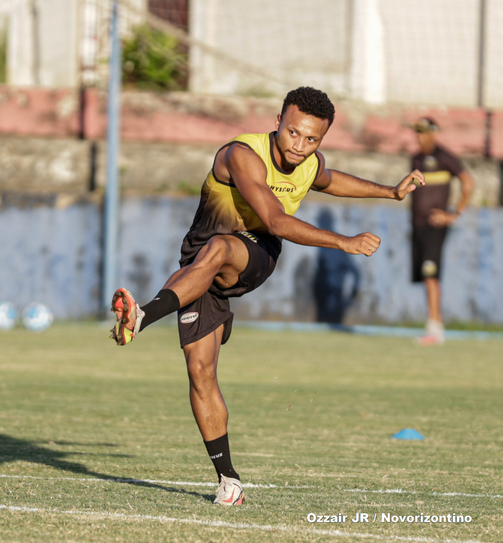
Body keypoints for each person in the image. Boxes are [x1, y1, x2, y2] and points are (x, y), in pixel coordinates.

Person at [108, 87, 425, 506]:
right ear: (278, 120)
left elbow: (315, 190)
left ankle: (142, 316)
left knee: (220, 248)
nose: (300, 146)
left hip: (253, 253)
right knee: (200, 372)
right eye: (293, 133)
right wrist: (343, 240)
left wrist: (390, 192)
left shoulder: (308, 163)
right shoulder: (242, 155)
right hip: (200, 267)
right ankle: (229, 481)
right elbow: (278, 215)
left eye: (312, 140)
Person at [409, 118, 475, 345]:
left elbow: (468, 183)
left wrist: (454, 213)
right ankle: (433, 324)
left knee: (430, 275)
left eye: (425, 132)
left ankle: (435, 328)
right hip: (418, 226)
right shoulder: (416, 158)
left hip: (435, 226)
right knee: (425, 277)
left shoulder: (445, 157)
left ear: (434, 133)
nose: (420, 136)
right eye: (417, 132)